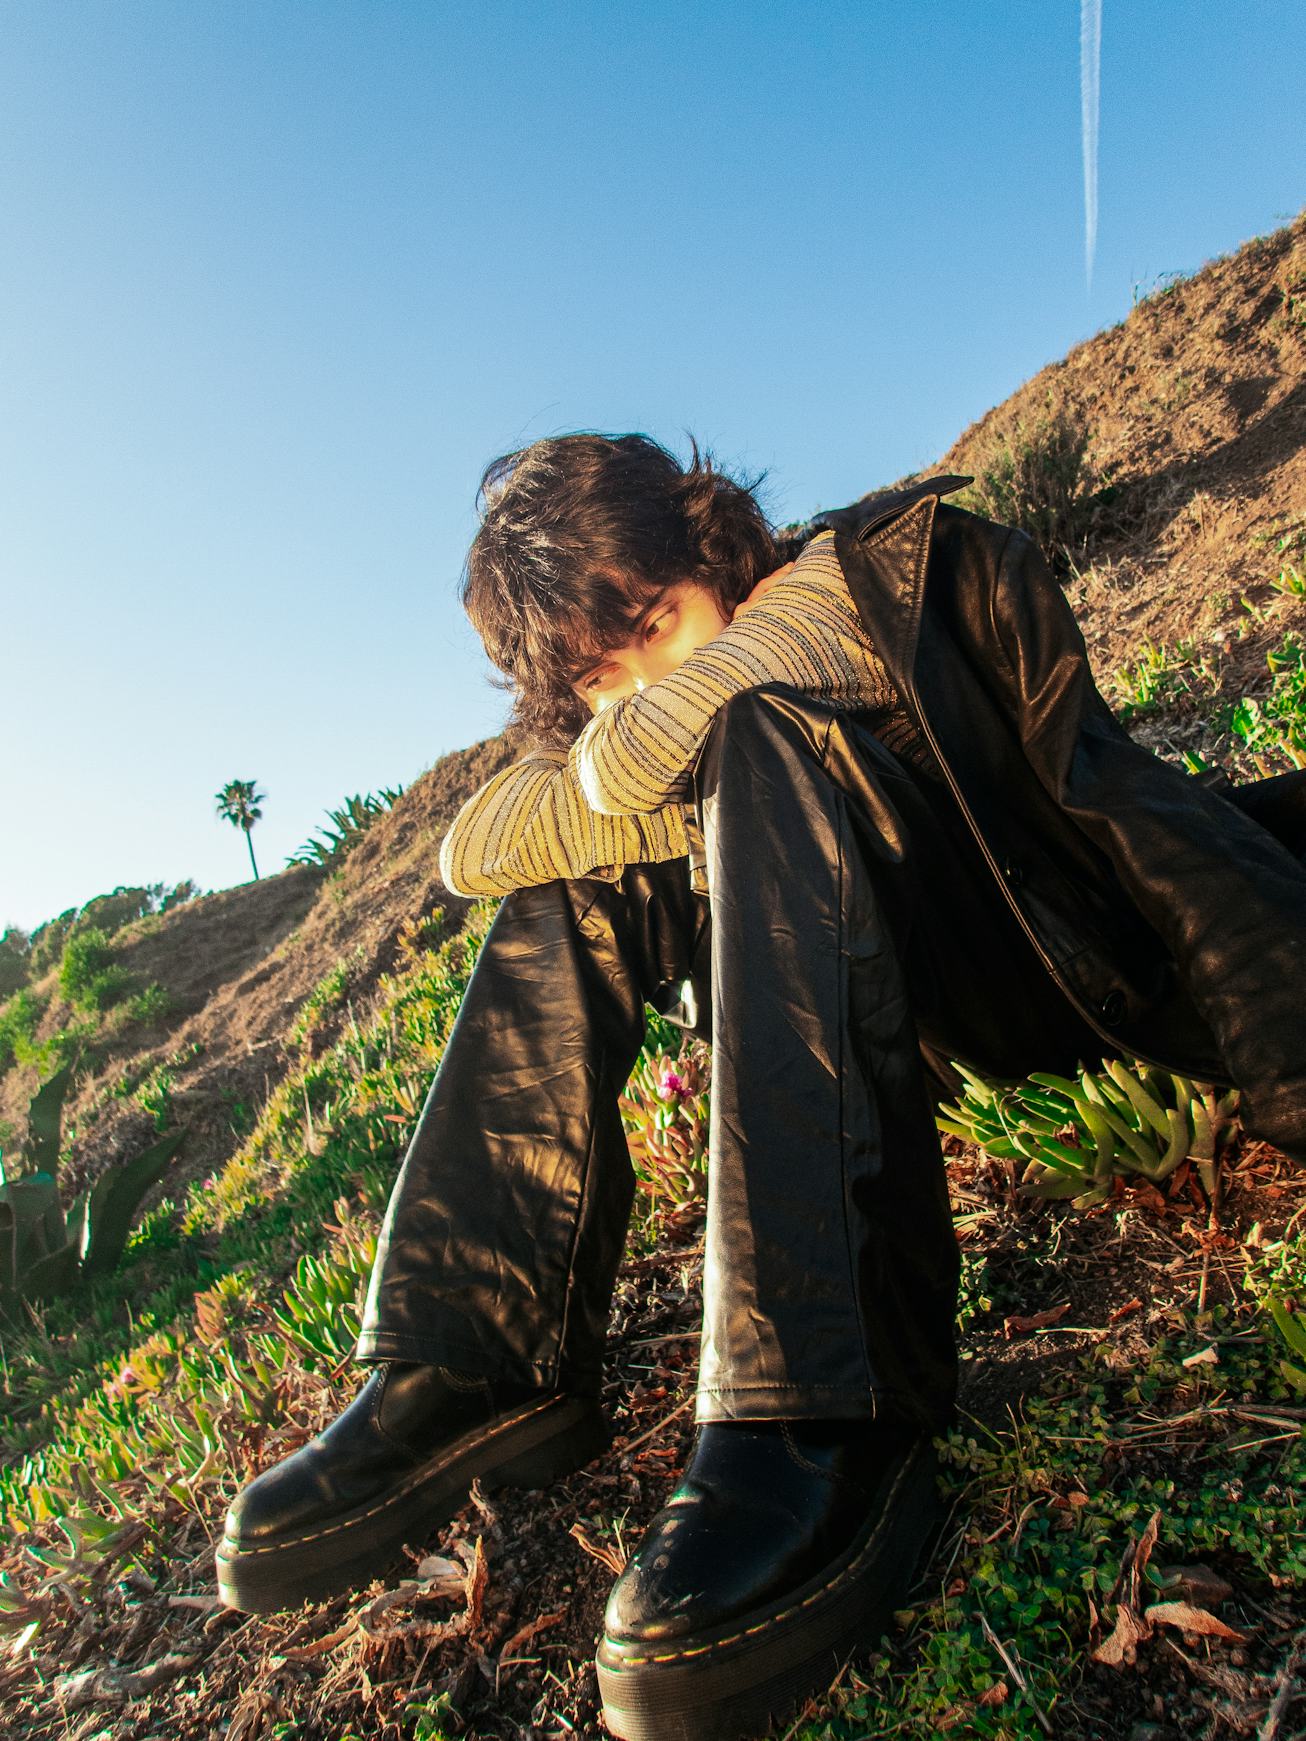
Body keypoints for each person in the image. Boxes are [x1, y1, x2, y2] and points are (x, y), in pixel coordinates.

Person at [215, 433, 1306, 1741]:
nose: (641, 683)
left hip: (1057, 961)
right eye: (600, 674)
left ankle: (820, 1405)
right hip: (887, 1016)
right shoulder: (678, 717)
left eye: (657, 623)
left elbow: (1125, 817)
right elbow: (473, 849)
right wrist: (610, 764)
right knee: (574, 871)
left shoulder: (896, 575)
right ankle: (468, 1358)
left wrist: (1285, 1061)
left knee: (758, 735)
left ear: (709, 542)